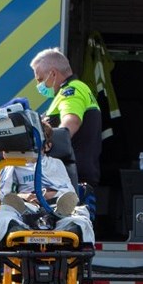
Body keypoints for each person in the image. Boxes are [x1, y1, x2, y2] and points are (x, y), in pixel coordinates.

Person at [31, 49, 103, 188]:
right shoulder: (73, 91)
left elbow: (70, 122)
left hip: (70, 180)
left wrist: (47, 144)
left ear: (53, 73)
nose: (39, 85)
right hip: (73, 177)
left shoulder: (72, 91)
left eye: (40, 79)